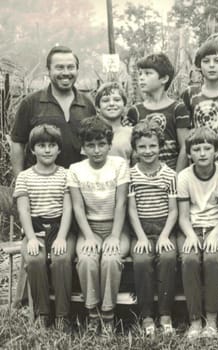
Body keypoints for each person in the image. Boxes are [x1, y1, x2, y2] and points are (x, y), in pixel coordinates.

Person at [68, 117, 130, 334]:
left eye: (101, 144)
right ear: (83, 147)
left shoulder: (120, 165)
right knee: (87, 260)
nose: (96, 150)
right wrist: (89, 236)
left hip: (116, 226)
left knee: (111, 259)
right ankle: (93, 314)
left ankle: (108, 314)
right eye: (91, 145)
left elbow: (121, 202)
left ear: (109, 145)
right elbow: (77, 207)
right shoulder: (75, 169)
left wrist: (114, 235)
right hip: (89, 227)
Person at [14, 125, 75, 333]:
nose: (47, 150)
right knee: (35, 259)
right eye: (41, 145)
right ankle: (42, 314)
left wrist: (62, 237)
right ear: (32, 149)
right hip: (35, 229)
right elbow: (23, 211)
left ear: (59, 149)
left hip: (61, 228)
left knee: (61, 258)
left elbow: (68, 208)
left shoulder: (67, 174)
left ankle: (62, 315)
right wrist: (30, 238)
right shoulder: (24, 177)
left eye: (52, 145)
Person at [10, 45, 96, 175]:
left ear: (77, 70)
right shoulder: (30, 103)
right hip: (40, 186)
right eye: (59, 67)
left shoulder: (88, 104)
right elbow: (18, 143)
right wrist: (19, 182)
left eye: (71, 67)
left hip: (78, 185)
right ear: (48, 71)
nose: (66, 72)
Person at [128, 121, 178, 336]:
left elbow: (174, 210)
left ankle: (165, 314)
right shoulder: (131, 175)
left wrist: (165, 234)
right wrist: (140, 237)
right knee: (141, 260)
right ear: (135, 149)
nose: (148, 151)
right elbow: (131, 210)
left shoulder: (170, 175)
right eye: (142, 147)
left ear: (160, 147)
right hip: (140, 228)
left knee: (168, 257)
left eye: (153, 146)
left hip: (164, 226)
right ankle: (147, 315)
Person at [177, 127, 218, 339]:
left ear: (216, 150)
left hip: (217, 228)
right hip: (192, 228)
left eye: (208, 148)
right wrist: (190, 235)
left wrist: (215, 234)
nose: (203, 153)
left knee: (212, 259)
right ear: (189, 153)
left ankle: (212, 320)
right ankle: (195, 320)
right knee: (189, 260)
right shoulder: (184, 176)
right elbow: (183, 216)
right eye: (196, 149)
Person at [124, 53, 191, 171]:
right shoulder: (135, 111)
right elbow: (133, 151)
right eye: (140, 74)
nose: (141, 78)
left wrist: (177, 177)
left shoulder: (177, 108)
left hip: (172, 172)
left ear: (164, 79)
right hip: (144, 175)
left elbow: (184, 147)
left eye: (148, 73)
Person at [95, 82, 133, 163]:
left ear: (124, 105)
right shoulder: (91, 132)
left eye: (117, 100)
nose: (111, 104)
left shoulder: (131, 133)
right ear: (98, 107)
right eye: (105, 100)